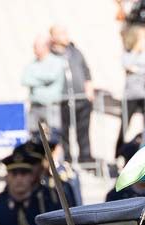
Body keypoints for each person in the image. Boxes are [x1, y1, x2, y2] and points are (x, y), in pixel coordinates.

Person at [49, 26, 94, 164]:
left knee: (83, 131)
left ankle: (85, 157)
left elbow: (86, 71)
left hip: (81, 98)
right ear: (54, 37)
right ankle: (67, 159)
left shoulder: (75, 52)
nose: (66, 35)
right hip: (63, 100)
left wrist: (89, 89)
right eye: (62, 33)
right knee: (64, 132)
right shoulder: (51, 55)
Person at [119, 25, 145, 160]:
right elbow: (127, 64)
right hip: (131, 94)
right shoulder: (129, 52)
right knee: (124, 123)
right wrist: (140, 62)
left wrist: (138, 68)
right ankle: (119, 152)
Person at [22, 34, 66, 134]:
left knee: (54, 138)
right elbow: (24, 80)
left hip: (51, 107)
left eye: (36, 46)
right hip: (35, 107)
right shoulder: (32, 63)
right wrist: (42, 79)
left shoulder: (56, 61)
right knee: (35, 138)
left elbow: (51, 77)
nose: (34, 49)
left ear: (45, 47)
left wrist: (35, 78)